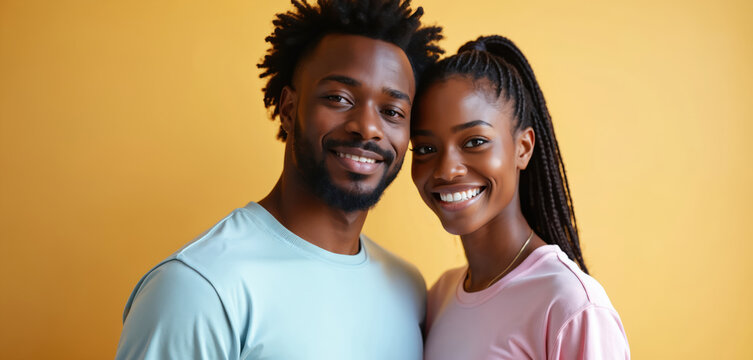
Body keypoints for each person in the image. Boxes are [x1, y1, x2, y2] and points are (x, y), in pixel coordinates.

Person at [115, 1, 442, 359]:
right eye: (338, 98)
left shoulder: (408, 290)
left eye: (392, 111)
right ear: (288, 109)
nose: (367, 127)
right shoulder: (199, 287)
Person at [410, 35, 630, 359]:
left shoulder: (571, 306)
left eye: (474, 142)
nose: (446, 170)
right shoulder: (439, 296)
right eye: (427, 149)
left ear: (523, 148)